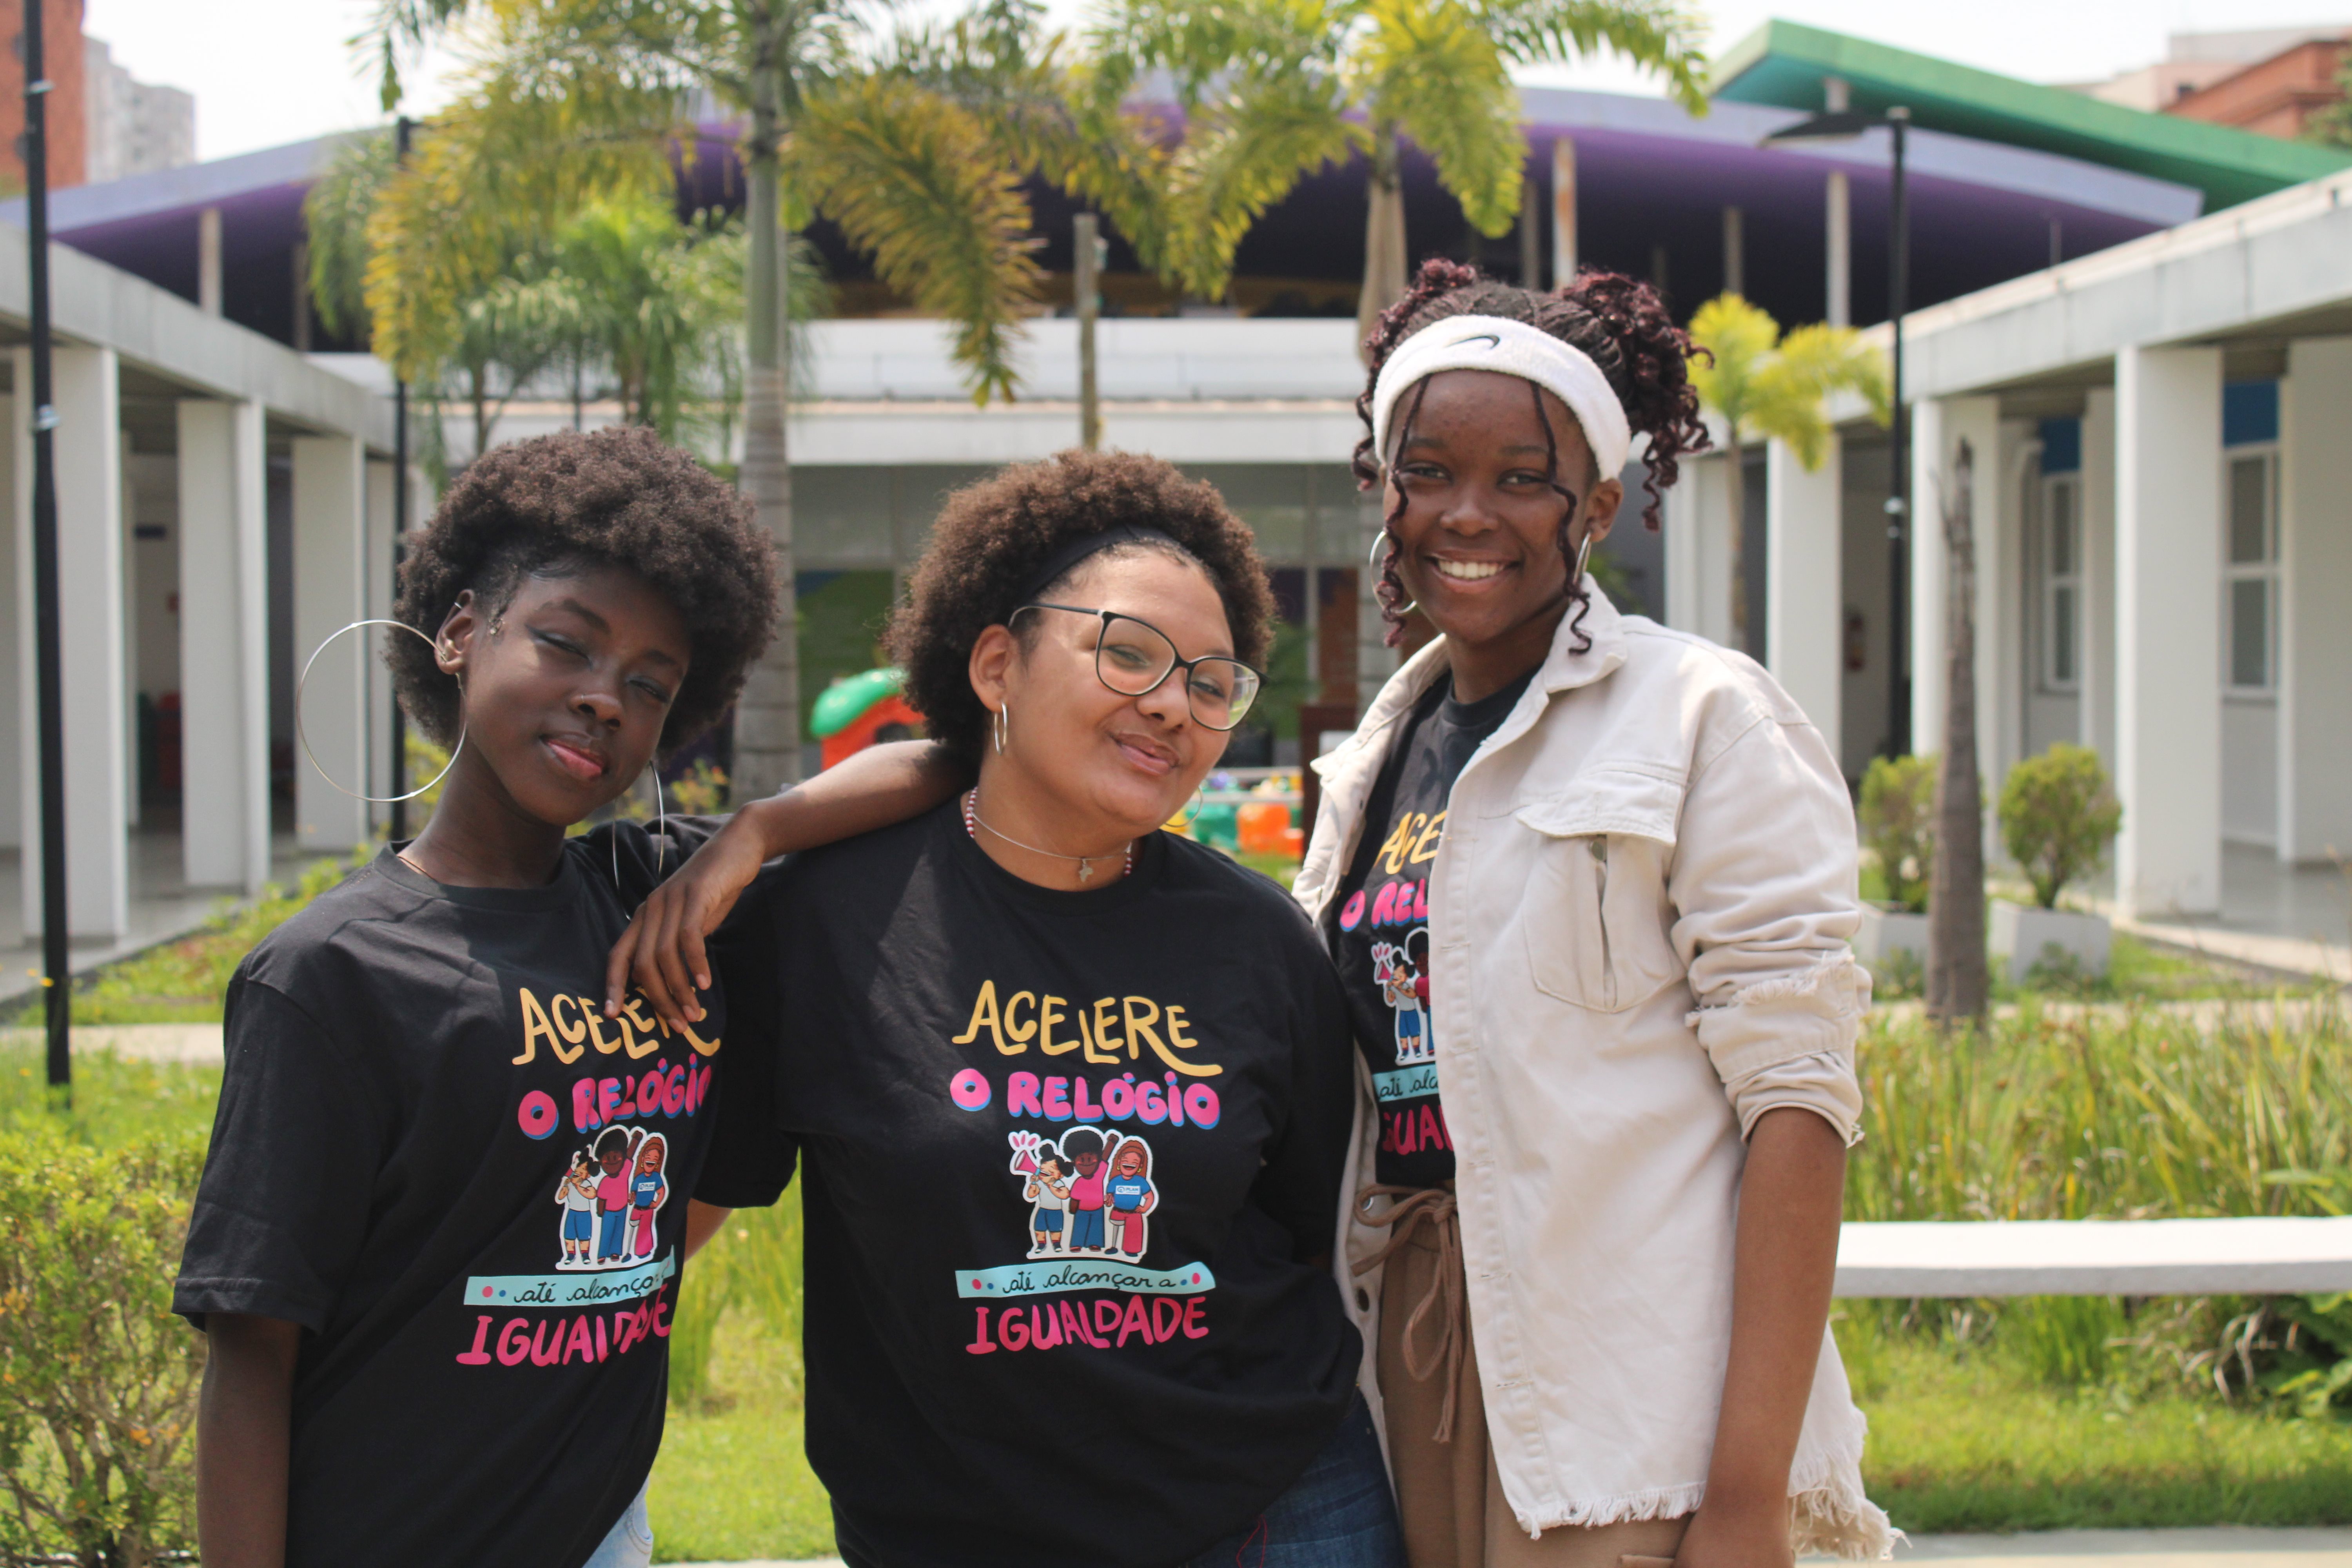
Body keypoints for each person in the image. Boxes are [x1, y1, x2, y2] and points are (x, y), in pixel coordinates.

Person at [172, 427, 943, 1568]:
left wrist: (755, 833)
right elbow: (251, 1349)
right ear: (460, 633)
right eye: (565, 644)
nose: (602, 700)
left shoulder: (657, 898)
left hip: (600, 1535)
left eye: (648, 685)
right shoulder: (332, 973)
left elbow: (950, 765)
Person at [622, 451, 1404, 1568]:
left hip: (1280, 1513)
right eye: (1126, 652)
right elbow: (682, 1219)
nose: (1171, 704)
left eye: (1211, 683)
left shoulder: (1259, 940)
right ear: (997, 664)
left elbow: (1314, 1231)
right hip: (953, 1532)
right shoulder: (825, 922)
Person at [1305, 260, 1892, 1567]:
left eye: (1524, 477)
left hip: (1635, 1395)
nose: (1469, 512)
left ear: (1603, 505)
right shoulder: (1379, 756)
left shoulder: (1702, 719)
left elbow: (1798, 1106)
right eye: (1429, 470)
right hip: (1422, 1357)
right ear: (1386, 489)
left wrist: (1744, 1500)